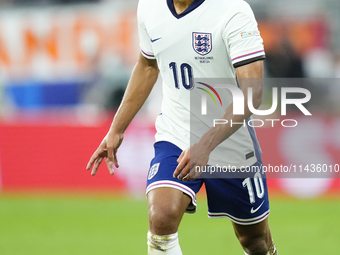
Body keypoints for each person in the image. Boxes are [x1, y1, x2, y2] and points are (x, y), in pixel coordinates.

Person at [86, 0, 278, 254]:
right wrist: (117, 129)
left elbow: (252, 95)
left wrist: (205, 145)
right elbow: (147, 65)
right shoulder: (149, 7)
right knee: (161, 217)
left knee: (254, 241)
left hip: (229, 139)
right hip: (175, 132)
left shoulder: (233, 10)